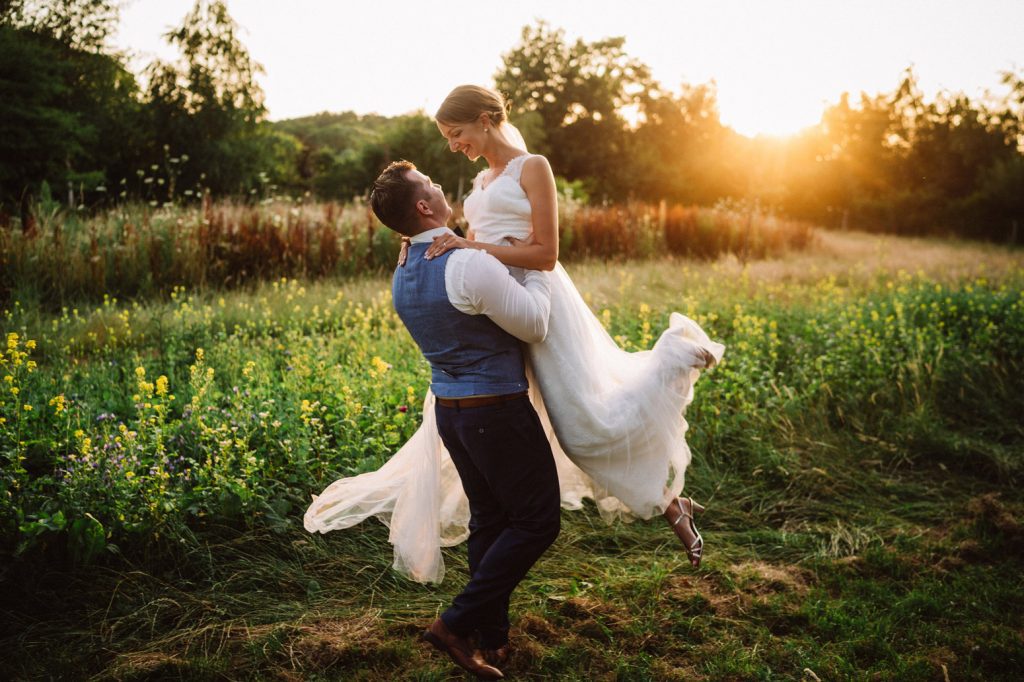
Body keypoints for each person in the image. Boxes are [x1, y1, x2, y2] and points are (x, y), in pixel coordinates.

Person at [304, 85, 724, 584]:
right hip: (505, 308)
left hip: (541, 297)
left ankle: (676, 357)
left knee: (583, 429)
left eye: (455, 134)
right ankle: (670, 502)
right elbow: (448, 236)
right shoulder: (481, 181)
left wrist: (469, 245)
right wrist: (415, 243)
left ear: (485, 120)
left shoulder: (534, 167)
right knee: (553, 431)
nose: (453, 145)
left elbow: (545, 254)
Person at [365, 159, 560, 678]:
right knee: (538, 521)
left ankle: (492, 637)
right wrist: (537, 270)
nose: (437, 184)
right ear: (424, 206)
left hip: (453, 413)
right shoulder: (466, 264)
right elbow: (537, 325)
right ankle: (454, 624)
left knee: (490, 520)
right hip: (496, 411)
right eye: (428, 184)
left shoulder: (403, 270)